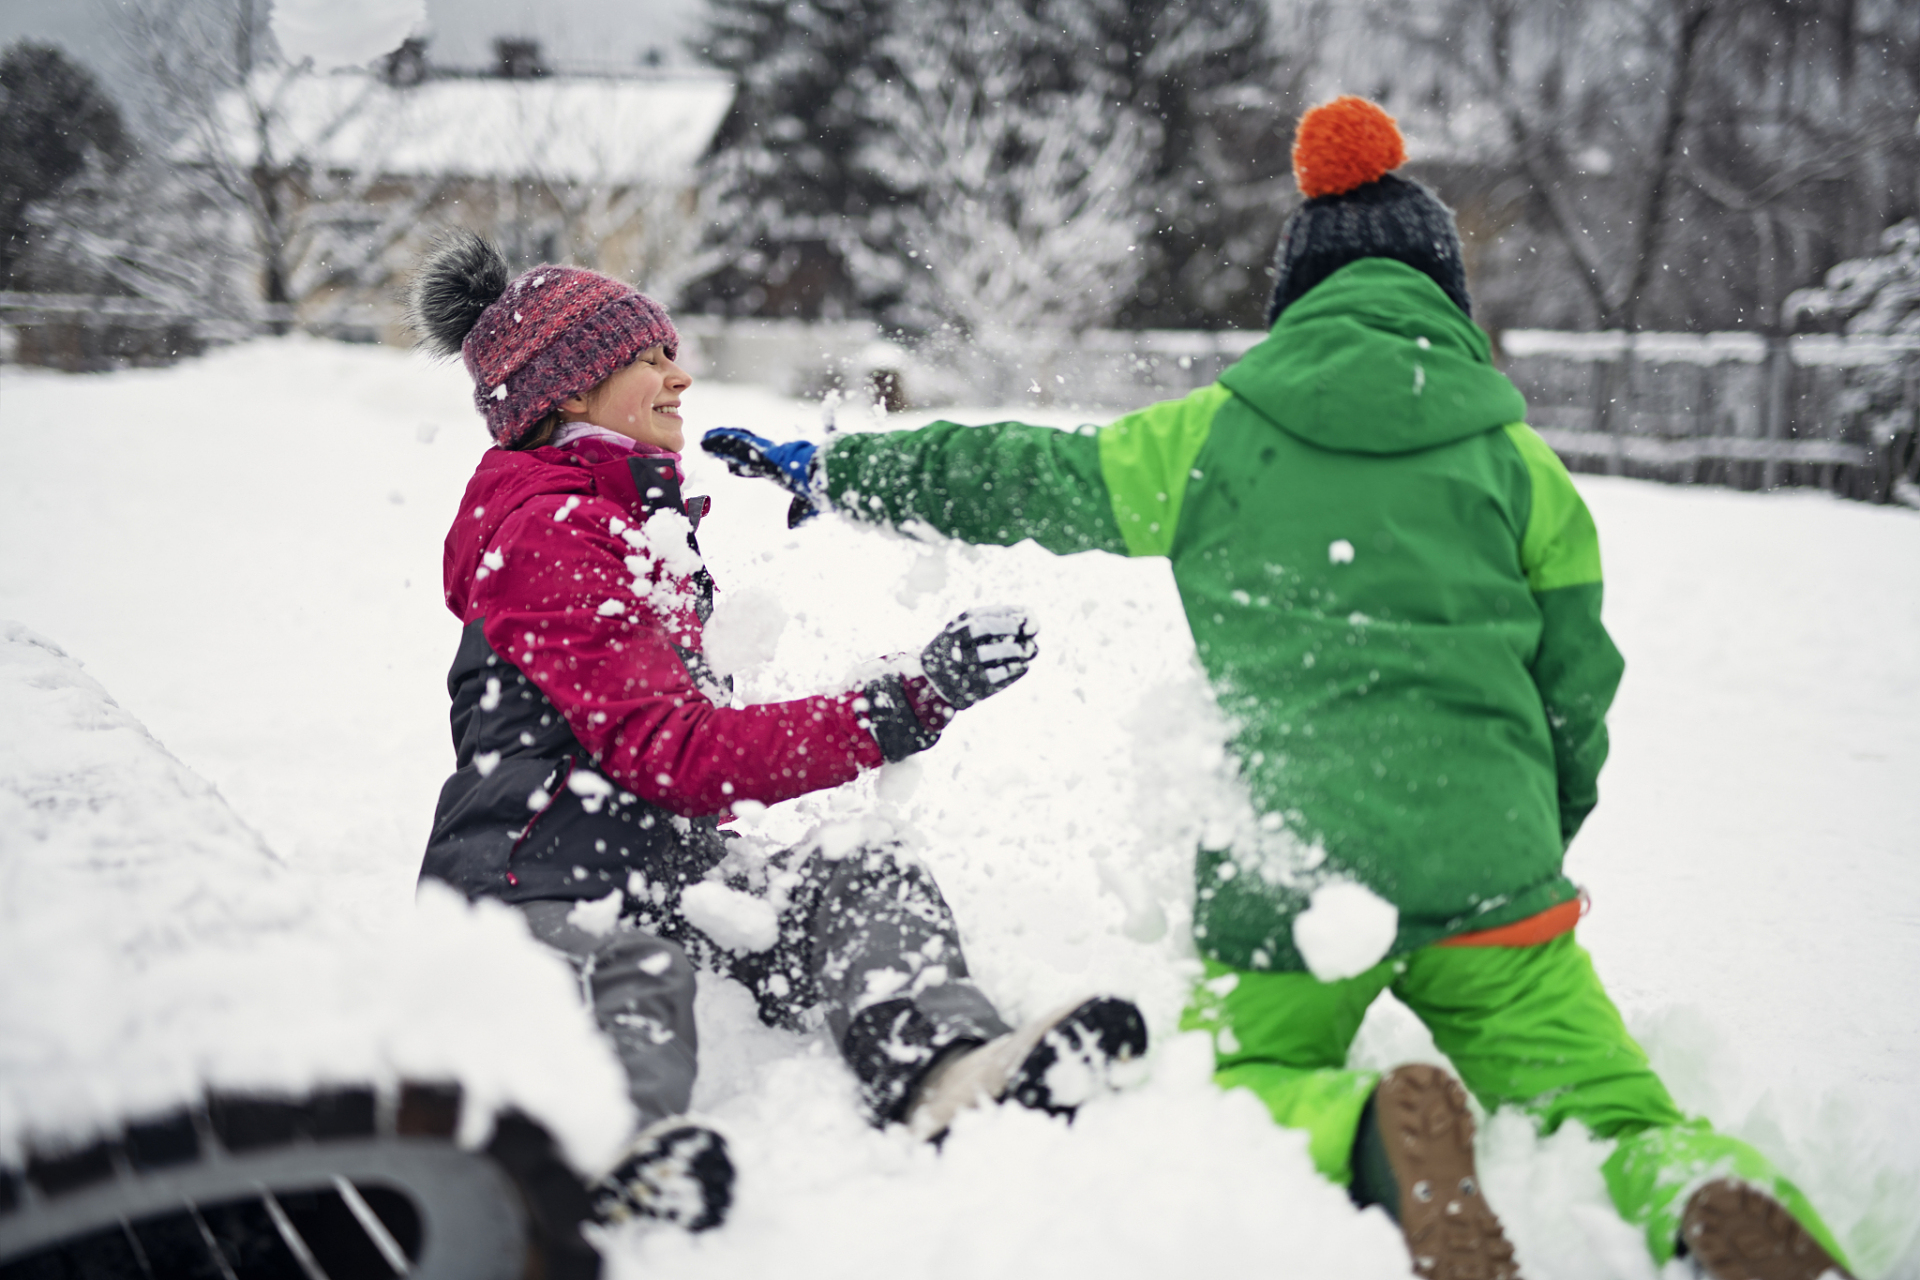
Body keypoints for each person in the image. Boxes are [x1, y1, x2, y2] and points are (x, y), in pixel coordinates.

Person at [703, 98, 1855, 1280]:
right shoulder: (1520, 465)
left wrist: (846, 468)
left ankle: (1362, 1128)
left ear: (1295, 300)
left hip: (1289, 861)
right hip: (1490, 862)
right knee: (1615, 1108)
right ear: (1446, 298)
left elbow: (1021, 475)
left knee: (1228, 1086)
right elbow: (1579, 684)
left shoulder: (1214, 439)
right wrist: (1529, 830)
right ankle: (1702, 1191)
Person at [408, 233, 1147, 1234]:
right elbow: (674, 750)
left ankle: (945, 1069)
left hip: (669, 867)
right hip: (540, 880)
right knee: (633, 973)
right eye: (649, 357)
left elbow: (684, 749)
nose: (683, 373)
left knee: (861, 870)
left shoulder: (628, 520)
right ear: (571, 393)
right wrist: (906, 701)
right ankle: (584, 1166)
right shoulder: (549, 530)